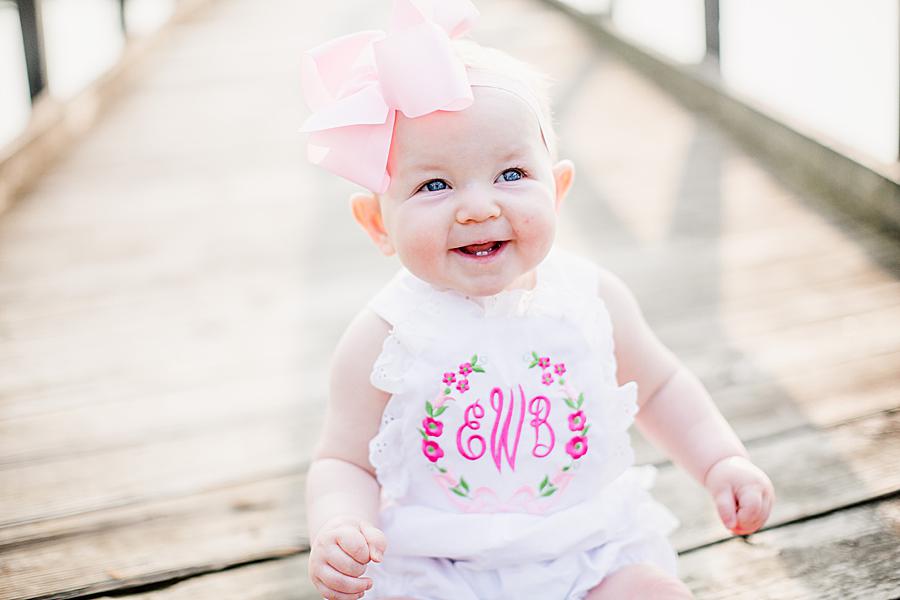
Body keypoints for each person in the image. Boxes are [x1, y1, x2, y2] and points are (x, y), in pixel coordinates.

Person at [301, 1, 774, 598]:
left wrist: (719, 461)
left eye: (511, 175)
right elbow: (344, 460)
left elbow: (660, 386)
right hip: (445, 569)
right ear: (377, 223)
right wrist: (342, 524)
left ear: (560, 189)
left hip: (588, 549)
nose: (478, 207)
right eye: (434, 185)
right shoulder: (384, 336)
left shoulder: (592, 299)